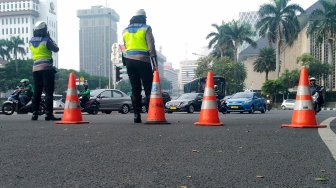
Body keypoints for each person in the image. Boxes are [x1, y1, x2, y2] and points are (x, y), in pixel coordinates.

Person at [122, 9, 158, 123]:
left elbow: (125, 46)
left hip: (129, 62)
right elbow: (151, 47)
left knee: (135, 89)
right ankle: (151, 114)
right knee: (148, 88)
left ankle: (136, 115)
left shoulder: (125, 30)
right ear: (143, 18)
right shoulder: (146, 28)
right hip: (143, 60)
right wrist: (155, 65)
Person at [29, 21, 60, 121]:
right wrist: (49, 37)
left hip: (35, 69)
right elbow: (56, 49)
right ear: (44, 30)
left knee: (37, 92)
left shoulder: (31, 41)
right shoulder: (46, 40)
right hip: (46, 69)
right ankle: (48, 115)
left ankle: (34, 114)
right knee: (48, 92)